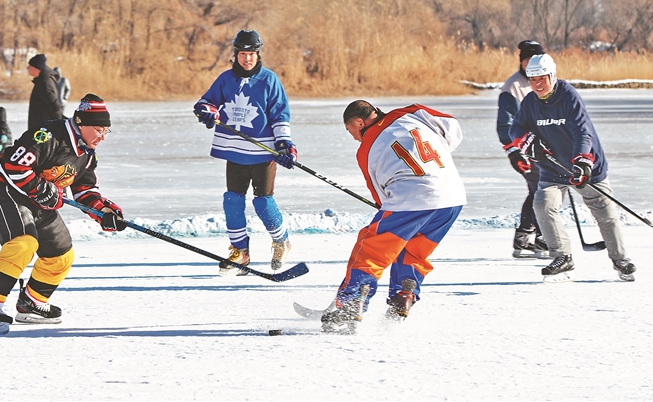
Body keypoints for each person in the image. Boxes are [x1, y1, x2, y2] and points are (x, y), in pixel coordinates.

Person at [0, 94, 127, 335]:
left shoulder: (86, 154)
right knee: (23, 244)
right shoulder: (47, 135)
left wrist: (104, 211)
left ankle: (32, 302)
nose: (102, 136)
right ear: (80, 122)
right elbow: (12, 166)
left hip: (40, 201)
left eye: (107, 131)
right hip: (3, 191)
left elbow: (85, 189)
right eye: (98, 129)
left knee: (61, 254)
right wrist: (41, 189)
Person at [320, 101, 467, 334]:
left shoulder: (367, 149)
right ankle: (403, 296)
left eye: (351, 131)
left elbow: (379, 195)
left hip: (411, 199)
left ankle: (351, 303)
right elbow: (451, 126)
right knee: (414, 250)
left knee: (371, 249)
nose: (355, 137)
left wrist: (388, 204)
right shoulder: (410, 113)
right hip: (452, 196)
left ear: (359, 123)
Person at [508, 54, 637, 283]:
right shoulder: (530, 102)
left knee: (604, 212)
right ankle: (562, 256)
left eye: (542, 79)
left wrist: (582, 162)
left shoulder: (568, 96)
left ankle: (620, 260)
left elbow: (581, 131)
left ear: (552, 76)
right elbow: (515, 128)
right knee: (543, 204)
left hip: (586, 167)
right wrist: (526, 141)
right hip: (553, 169)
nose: (537, 84)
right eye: (533, 79)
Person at [192, 29, 297, 276]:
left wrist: (284, 144)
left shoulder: (269, 80)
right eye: (242, 53)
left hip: (262, 152)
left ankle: (281, 241)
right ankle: (240, 252)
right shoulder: (226, 79)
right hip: (235, 151)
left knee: (262, 202)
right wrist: (206, 111)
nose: (247, 58)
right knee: (233, 201)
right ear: (236, 54)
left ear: (257, 54)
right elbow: (207, 102)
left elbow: (280, 114)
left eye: (251, 53)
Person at [497, 40, 549, 259]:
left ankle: (528, 238)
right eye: (528, 60)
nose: (532, 64)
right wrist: (514, 151)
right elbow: (505, 124)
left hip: (547, 148)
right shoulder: (513, 87)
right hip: (525, 149)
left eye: (536, 60)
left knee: (541, 190)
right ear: (522, 61)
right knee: (542, 189)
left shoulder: (544, 82)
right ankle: (537, 237)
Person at [27, 53, 63, 130]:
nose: (27, 68)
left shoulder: (45, 83)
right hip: (40, 127)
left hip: (43, 130)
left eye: (29, 66)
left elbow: (55, 105)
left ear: (36, 68)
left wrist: (58, 126)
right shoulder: (41, 81)